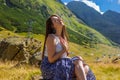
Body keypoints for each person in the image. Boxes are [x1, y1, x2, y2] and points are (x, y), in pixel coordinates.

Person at [40, 15, 96, 80]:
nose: (59, 20)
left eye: (59, 19)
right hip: (50, 67)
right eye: (55, 20)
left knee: (85, 67)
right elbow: (51, 60)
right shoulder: (51, 37)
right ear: (52, 26)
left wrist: (66, 53)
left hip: (61, 64)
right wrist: (64, 50)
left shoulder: (63, 38)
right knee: (78, 61)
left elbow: (63, 57)